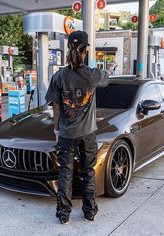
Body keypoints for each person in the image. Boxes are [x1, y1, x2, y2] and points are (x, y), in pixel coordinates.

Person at [45, 30, 117, 224]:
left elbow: (57, 108)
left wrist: (57, 132)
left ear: (68, 48)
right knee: (87, 171)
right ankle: (89, 212)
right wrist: (111, 67)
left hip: (67, 134)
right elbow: (107, 75)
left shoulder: (59, 76)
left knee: (65, 173)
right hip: (87, 134)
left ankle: (63, 215)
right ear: (85, 50)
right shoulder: (93, 75)